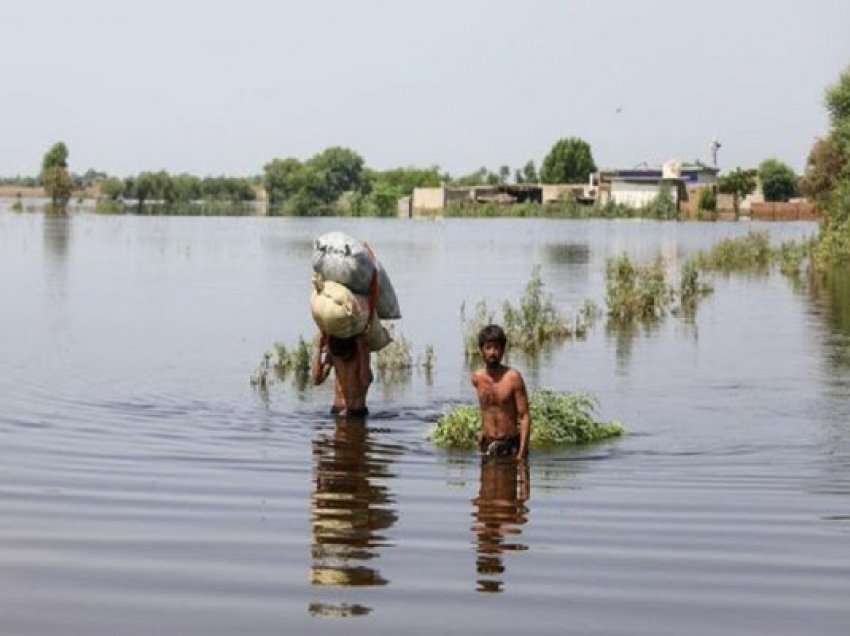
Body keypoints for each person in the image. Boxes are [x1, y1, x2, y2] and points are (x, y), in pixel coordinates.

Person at [471, 324, 531, 459]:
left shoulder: (513, 378)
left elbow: (524, 416)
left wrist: (522, 453)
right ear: (481, 351)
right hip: (487, 445)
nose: (492, 352)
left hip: (509, 445)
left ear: (503, 350)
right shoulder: (477, 378)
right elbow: (486, 409)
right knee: (486, 480)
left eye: (496, 348)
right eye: (488, 348)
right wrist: (481, 432)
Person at [312, 332, 372, 417]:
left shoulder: (361, 353)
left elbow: (365, 381)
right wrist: (317, 348)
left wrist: (362, 349)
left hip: (357, 412)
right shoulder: (333, 354)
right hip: (337, 410)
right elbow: (316, 380)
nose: (342, 358)